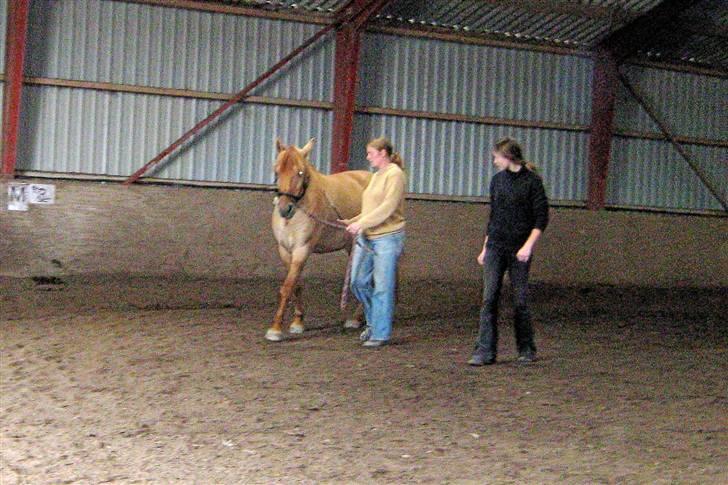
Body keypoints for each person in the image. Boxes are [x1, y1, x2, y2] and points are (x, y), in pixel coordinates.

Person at [469, 137, 549, 366]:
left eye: (496, 157)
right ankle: (485, 350)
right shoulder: (497, 181)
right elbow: (494, 217)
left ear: (508, 157)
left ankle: (526, 348)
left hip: (519, 249)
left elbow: (541, 218)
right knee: (489, 298)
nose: (494, 161)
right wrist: (485, 247)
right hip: (496, 245)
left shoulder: (532, 183)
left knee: (520, 300)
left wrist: (527, 246)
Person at [341, 137, 406, 348]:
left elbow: (387, 207)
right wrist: (353, 221)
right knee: (357, 282)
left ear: (383, 153)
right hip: (368, 235)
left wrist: (362, 224)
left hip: (387, 237)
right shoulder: (376, 176)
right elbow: (370, 207)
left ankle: (380, 333)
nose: (368, 157)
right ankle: (373, 321)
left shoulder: (395, 175)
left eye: (371, 153)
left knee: (382, 286)